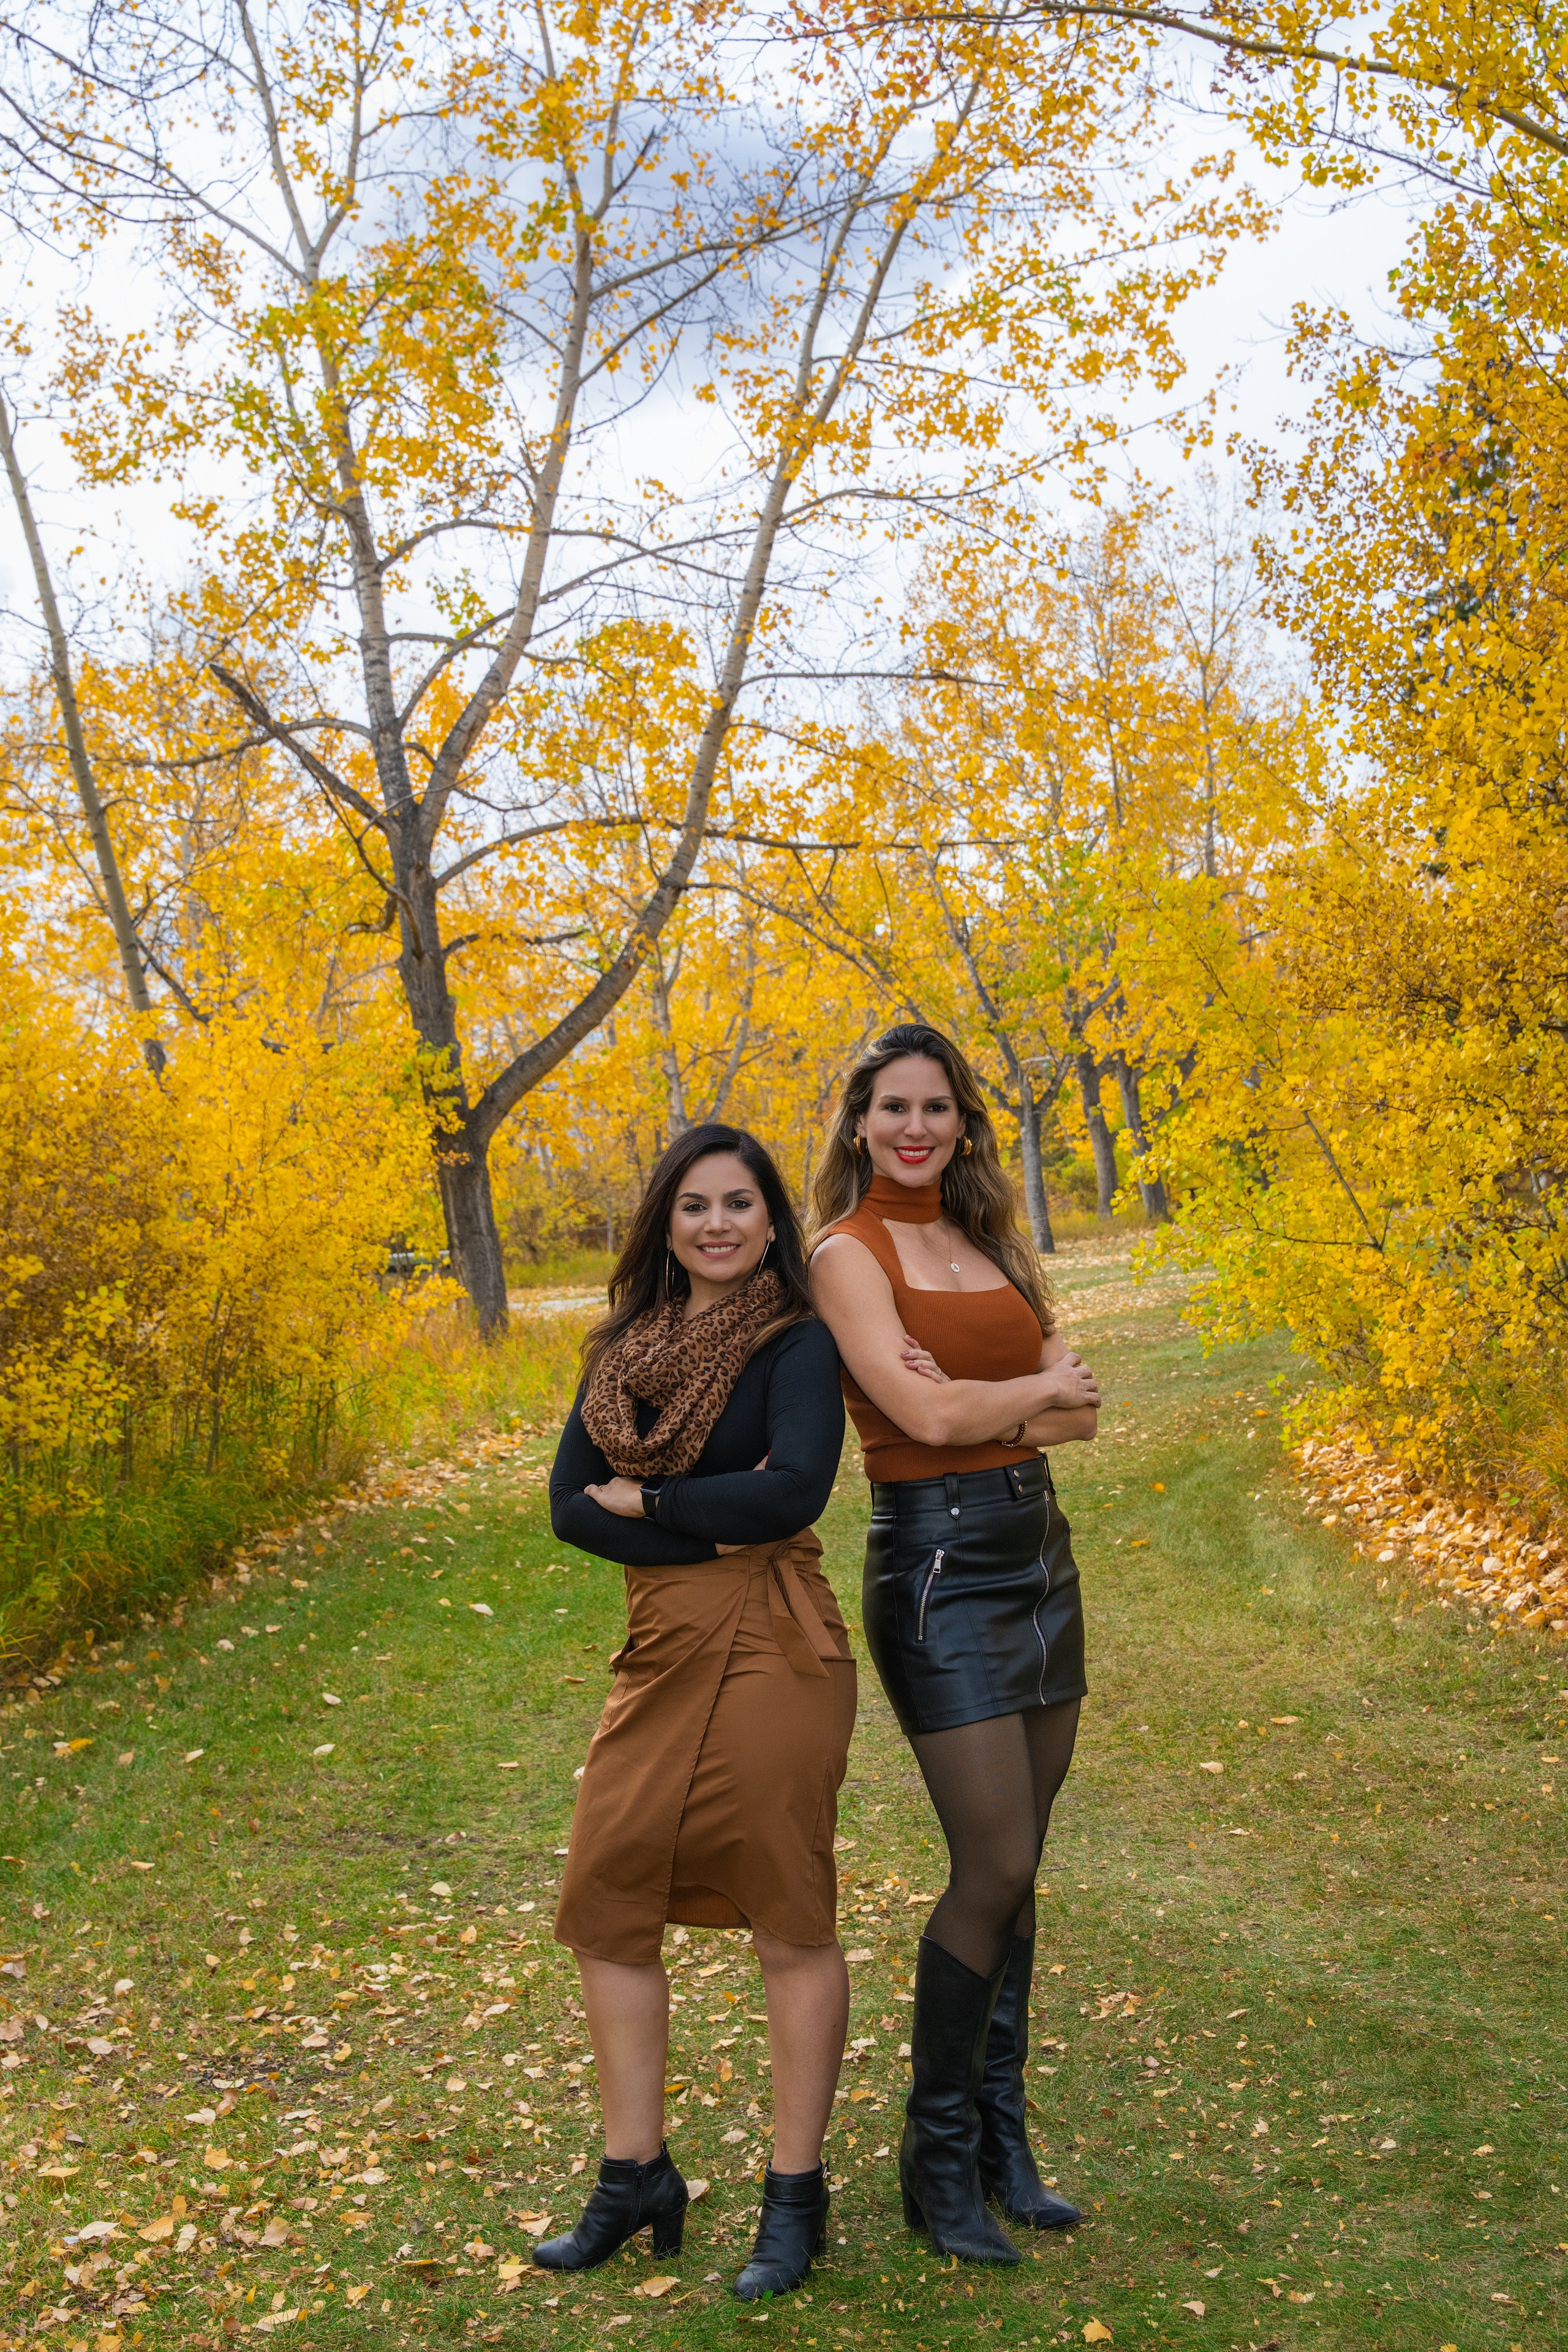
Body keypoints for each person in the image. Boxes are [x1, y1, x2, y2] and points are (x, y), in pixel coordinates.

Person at [542, 1122, 855, 2302]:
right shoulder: (622, 1351)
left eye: (739, 1203)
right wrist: (707, 1518)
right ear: (665, 1226)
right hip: (665, 1641)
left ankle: (796, 2197)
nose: (717, 1223)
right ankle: (635, 2180)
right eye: (694, 1206)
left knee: (786, 1909)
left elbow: (794, 1491)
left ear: (773, 1221)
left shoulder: (798, 1343)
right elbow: (572, 1509)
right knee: (606, 1895)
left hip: (780, 1645)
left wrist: (661, 1497)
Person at [809, 1023, 1099, 2266]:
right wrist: (1015, 1399)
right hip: (936, 1565)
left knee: (1022, 1861)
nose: (914, 1128)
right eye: (891, 1108)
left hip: (1038, 1554)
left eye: (935, 1107)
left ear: (962, 1121)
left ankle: (1001, 2141)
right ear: (859, 1123)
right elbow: (918, 1413)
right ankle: (935, 2167)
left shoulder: (986, 1243)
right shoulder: (843, 1252)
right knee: (987, 1864)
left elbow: (1078, 1409)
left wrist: (1013, 1402)